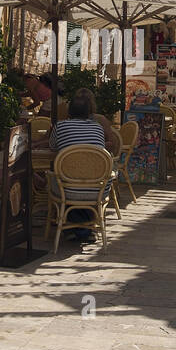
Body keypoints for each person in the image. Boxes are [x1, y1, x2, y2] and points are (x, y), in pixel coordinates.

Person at [35, 87, 106, 244]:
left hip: (66, 188)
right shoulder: (98, 128)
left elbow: (53, 147)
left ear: (69, 112)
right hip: (97, 189)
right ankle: (84, 229)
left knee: (59, 178)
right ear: (89, 112)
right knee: (81, 182)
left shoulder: (60, 127)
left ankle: (75, 227)